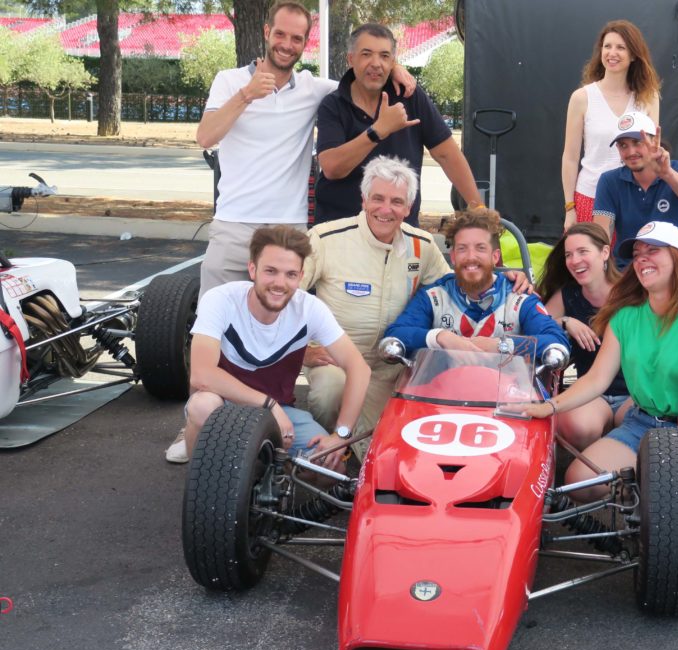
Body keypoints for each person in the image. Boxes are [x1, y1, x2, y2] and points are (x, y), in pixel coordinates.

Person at [513, 221, 678, 524]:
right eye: (637, 253)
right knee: (579, 480)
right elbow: (597, 379)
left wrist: (670, 465)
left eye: (653, 250)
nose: (642, 259)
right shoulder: (625, 315)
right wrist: (549, 406)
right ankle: (649, 494)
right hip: (643, 421)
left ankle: (659, 498)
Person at [301, 157, 534, 449]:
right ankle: (333, 456)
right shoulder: (325, 238)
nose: (386, 210)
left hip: (394, 364)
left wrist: (505, 278)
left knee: (389, 447)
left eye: (397, 202)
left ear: (408, 208)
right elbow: (285, 295)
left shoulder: (421, 245)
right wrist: (301, 353)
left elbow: (458, 285)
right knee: (330, 392)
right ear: (363, 200)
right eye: (378, 199)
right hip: (338, 362)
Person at [193, 2, 417, 300]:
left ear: (305, 43)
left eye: (296, 38)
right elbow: (205, 137)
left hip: (289, 227)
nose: (287, 45)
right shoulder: (229, 80)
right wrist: (247, 94)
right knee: (215, 324)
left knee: (282, 327)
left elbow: (364, 75)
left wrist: (395, 66)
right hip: (234, 224)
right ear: (266, 32)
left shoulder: (314, 88)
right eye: (280, 34)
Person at [182, 226, 370, 471]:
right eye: (270, 271)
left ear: (301, 276)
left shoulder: (309, 309)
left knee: (330, 468)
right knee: (201, 405)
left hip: (282, 412)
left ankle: (271, 472)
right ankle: (207, 485)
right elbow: (202, 375)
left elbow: (359, 368)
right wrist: (269, 404)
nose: (280, 283)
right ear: (252, 269)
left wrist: (341, 434)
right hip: (225, 407)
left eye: (290, 274)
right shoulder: (221, 299)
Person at [314, 23, 483, 226]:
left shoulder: (409, 96)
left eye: (385, 56)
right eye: (366, 54)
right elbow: (332, 168)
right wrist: (377, 131)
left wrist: (478, 209)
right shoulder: (333, 105)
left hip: (399, 231)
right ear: (351, 59)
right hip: (341, 230)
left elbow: (446, 153)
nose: (376, 63)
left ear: (393, 62)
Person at [383, 207, 568, 356]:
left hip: (505, 400)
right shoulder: (434, 296)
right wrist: (440, 337)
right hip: (444, 397)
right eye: (462, 249)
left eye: (480, 248)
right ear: (453, 257)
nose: (471, 257)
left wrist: (502, 345)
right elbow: (395, 334)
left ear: (495, 256)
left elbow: (557, 341)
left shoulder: (519, 296)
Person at [535, 222, 631, 452]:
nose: (574, 260)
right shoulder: (568, 294)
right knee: (576, 426)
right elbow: (538, 328)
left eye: (583, 252)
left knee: (644, 427)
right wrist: (566, 322)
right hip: (592, 392)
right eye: (569, 254)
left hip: (633, 393)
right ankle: (593, 463)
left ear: (605, 253)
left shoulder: (630, 294)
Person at [562, 20, 660, 229]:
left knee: (628, 261)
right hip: (589, 197)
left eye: (620, 47)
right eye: (607, 46)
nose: (612, 53)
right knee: (591, 259)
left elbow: (651, 154)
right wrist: (570, 209)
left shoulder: (649, 98)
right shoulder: (582, 97)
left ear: (634, 55)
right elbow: (570, 158)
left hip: (633, 199)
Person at [592, 111, 678, 266]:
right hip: (628, 273)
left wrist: (668, 174)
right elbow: (601, 232)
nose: (631, 152)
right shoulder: (609, 180)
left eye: (637, 142)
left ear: (655, 141)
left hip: (675, 271)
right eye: (623, 145)